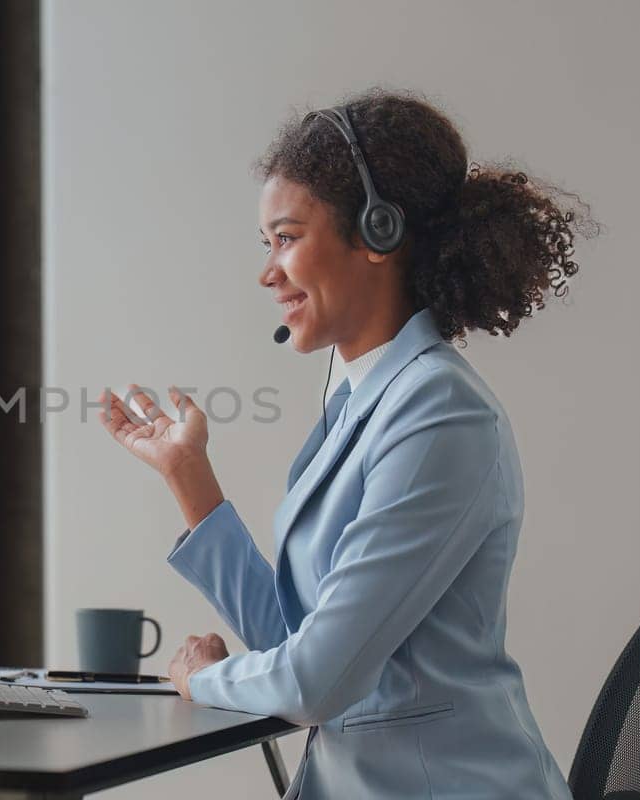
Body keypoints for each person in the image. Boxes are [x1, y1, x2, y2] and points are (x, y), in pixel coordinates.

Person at [99, 89, 597, 798]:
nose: (267, 272)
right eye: (266, 244)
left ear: (376, 233)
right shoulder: (366, 398)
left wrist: (197, 679)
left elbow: (312, 683)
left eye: (287, 238)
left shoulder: (440, 416)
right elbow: (298, 645)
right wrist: (188, 474)